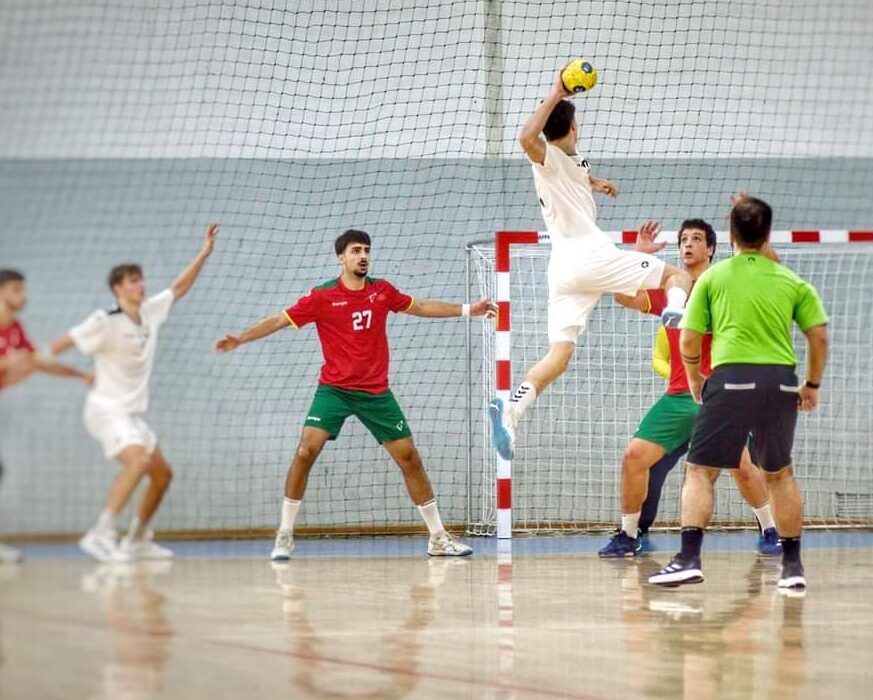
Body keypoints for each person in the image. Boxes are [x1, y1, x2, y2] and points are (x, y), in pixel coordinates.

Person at [216, 229, 495, 560]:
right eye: (355, 251)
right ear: (341, 257)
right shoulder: (321, 297)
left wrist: (467, 309)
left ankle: (437, 538)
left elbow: (419, 306)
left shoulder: (381, 291)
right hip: (334, 390)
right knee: (306, 450)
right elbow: (279, 319)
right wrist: (242, 339)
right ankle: (285, 534)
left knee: (410, 457)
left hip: (375, 393)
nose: (363, 256)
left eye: (366, 250)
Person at [488, 65, 692, 461]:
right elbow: (526, 138)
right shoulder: (546, 157)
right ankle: (674, 316)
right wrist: (557, 91)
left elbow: (576, 172)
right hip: (589, 255)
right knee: (677, 276)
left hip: (565, 270)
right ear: (574, 126)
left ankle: (511, 410)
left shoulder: (573, 161)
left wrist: (597, 183)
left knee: (558, 356)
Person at [649, 196, 828, 590]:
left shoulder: (714, 277)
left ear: (728, 237)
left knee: (698, 471)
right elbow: (818, 334)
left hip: (730, 380)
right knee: (779, 475)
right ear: (767, 236)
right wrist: (811, 383)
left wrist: (695, 379)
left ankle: (689, 558)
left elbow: (690, 338)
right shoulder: (789, 279)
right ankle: (793, 568)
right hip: (780, 380)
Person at [598, 220, 781, 557]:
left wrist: (747, 223)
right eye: (683, 239)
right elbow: (624, 296)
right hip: (678, 395)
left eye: (697, 239)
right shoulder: (672, 290)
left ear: (711, 248)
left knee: (740, 465)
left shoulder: (726, 285)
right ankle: (628, 535)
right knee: (634, 457)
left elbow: (772, 268)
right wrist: (637, 258)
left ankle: (771, 530)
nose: (688, 244)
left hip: (718, 393)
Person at [43, 224, 219, 562]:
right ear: (117, 289)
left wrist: (204, 252)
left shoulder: (150, 311)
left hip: (130, 412)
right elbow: (60, 345)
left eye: (140, 278)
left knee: (162, 474)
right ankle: (100, 533)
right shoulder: (104, 320)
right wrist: (55, 367)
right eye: (132, 281)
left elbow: (178, 287)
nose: (140, 285)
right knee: (137, 461)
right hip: (106, 409)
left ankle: (136, 539)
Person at [0, 269, 93, 562]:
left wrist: (80, 375)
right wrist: (7, 363)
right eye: (15, 289)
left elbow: (39, 362)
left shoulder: (14, 328)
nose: (22, 296)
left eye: (22, 289)